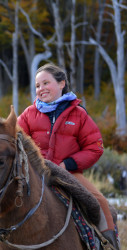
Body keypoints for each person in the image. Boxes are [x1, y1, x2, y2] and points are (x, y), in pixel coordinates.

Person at [17, 63, 119, 249]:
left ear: (62, 83)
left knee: (101, 202)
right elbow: (15, 145)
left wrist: (68, 164)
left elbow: (95, 147)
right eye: (38, 86)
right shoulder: (28, 115)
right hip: (34, 174)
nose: (41, 89)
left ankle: (109, 244)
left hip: (69, 173)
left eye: (46, 83)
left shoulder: (79, 115)